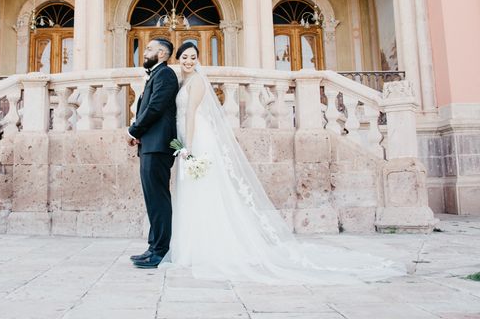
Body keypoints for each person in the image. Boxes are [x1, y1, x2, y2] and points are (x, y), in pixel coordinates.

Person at [163, 41, 406, 284]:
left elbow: (191, 114)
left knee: (203, 191)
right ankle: (194, 245)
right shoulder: (183, 81)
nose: (188, 61)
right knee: (193, 191)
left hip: (197, 139)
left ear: (198, 59)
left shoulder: (196, 82)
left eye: (193, 57)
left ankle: (206, 248)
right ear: (178, 58)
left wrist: (189, 147)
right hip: (188, 137)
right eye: (184, 57)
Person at [126, 38, 180, 269]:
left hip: (158, 146)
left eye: (148, 49)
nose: (144, 52)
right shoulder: (155, 75)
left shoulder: (165, 75)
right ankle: (153, 246)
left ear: (162, 54)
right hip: (150, 143)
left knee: (158, 198)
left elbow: (155, 107)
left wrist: (134, 130)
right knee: (153, 199)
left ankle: (160, 251)